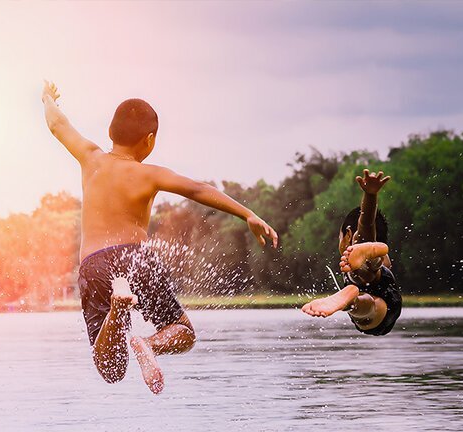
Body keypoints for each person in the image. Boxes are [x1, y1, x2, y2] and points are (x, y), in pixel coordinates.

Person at [40, 81, 279, 392]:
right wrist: (248, 214)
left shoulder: (90, 158)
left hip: (94, 264)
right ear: (149, 140)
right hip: (135, 258)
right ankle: (147, 344)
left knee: (111, 368)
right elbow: (199, 189)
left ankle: (118, 308)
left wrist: (48, 98)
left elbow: (57, 124)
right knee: (182, 331)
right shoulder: (150, 174)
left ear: (111, 133)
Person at [301, 169, 402, 335]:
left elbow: (366, 225)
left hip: (376, 299)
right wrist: (370, 195)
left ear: (347, 235)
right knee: (366, 275)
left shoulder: (351, 254)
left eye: (340, 237)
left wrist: (370, 196)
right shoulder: (370, 262)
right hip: (383, 284)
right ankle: (372, 257)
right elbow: (367, 226)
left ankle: (351, 296)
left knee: (364, 303)